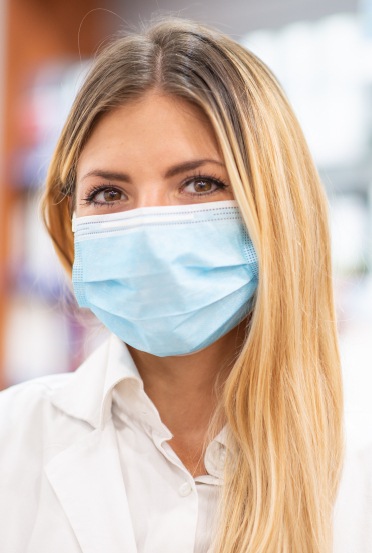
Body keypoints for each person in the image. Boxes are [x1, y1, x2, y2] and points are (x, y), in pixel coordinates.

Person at [0, 17, 371, 553]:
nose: (150, 229)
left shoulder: (356, 460)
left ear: (274, 208)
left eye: (200, 184)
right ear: (70, 218)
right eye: (108, 194)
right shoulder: (13, 439)